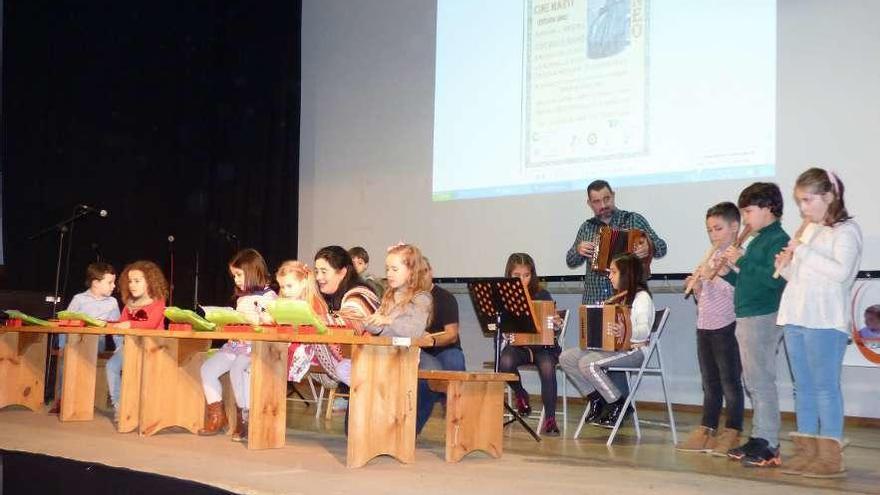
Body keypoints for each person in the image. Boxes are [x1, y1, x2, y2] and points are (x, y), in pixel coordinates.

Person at [775, 168, 862, 478]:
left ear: (828, 196)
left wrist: (804, 251)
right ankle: (807, 451)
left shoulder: (846, 231)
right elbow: (802, 277)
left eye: (807, 200)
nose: (803, 208)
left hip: (825, 319)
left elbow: (840, 274)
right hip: (797, 314)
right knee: (803, 387)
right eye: (800, 201)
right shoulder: (809, 230)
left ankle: (829, 456)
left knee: (825, 387)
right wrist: (784, 267)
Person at [719, 182, 790, 467]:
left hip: (763, 315)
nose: (745, 218)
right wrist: (728, 274)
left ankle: (769, 441)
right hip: (748, 313)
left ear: (768, 208)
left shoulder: (778, 239)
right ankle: (759, 435)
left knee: (761, 381)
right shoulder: (758, 239)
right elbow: (749, 281)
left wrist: (744, 260)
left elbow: (775, 280)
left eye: (748, 211)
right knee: (754, 381)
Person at [676, 203, 744, 455]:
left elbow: (740, 292)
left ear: (734, 227)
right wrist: (697, 286)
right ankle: (707, 427)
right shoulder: (712, 256)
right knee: (710, 382)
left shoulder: (739, 257)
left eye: (718, 229)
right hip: (705, 325)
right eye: (710, 230)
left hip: (727, 326)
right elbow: (707, 296)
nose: (714, 235)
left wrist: (720, 275)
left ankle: (733, 429)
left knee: (730, 382)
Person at [560, 254, 655, 430]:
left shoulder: (642, 298)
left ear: (626, 274)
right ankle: (596, 398)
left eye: (613, 272)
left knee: (588, 363)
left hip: (634, 351)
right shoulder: (618, 298)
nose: (609, 276)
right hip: (614, 350)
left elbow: (644, 330)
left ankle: (619, 404)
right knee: (567, 358)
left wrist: (627, 331)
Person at [198, 248, 277, 441]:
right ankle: (218, 416)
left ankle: (246, 417)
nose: (236, 280)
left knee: (238, 370)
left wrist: (255, 320)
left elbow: (271, 323)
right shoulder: (242, 297)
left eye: (239, 275)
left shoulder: (269, 296)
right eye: (234, 276)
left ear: (253, 271)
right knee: (207, 369)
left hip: (254, 348)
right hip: (235, 345)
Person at [362, 243, 436, 434]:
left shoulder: (421, 298)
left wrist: (386, 320)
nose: (389, 274)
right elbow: (376, 328)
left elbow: (414, 330)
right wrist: (369, 322)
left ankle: (406, 429)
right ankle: (374, 424)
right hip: (385, 353)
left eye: (395, 269)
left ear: (411, 271)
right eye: (387, 269)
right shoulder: (388, 296)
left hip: (407, 356)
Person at [566, 180, 667, 305]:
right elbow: (570, 261)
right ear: (589, 203)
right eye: (597, 201)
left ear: (613, 195)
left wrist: (649, 247)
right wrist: (578, 250)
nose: (603, 205)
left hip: (627, 300)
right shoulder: (587, 227)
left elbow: (662, 247)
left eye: (606, 199)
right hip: (594, 301)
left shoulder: (633, 220)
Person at [497, 253, 563, 436]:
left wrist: (555, 323)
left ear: (532, 275)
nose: (522, 280)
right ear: (509, 275)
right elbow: (500, 329)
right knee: (505, 362)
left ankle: (550, 419)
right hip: (519, 347)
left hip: (543, 348)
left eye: (526, 275)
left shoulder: (542, 294)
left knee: (548, 366)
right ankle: (521, 393)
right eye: (517, 276)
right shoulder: (504, 296)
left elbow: (552, 326)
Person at [51, 262, 120, 414]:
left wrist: (119, 347)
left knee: (88, 350)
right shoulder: (79, 299)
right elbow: (65, 324)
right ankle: (63, 398)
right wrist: (62, 345)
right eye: (110, 282)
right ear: (95, 283)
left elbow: (116, 328)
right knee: (66, 360)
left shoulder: (112, 302)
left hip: (97, 342)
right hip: (74, 341)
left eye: (113, 282)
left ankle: (85, 397)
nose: (113, 286)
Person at [106, 261, 168, 421]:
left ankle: (147, 409)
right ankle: (119, 405)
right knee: (111, 365)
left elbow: (151, 324)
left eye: (137, 281)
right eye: (130, 281)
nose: (132, 285)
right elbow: (121, 324)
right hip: (130, 347)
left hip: (153, 349)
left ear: (150, 282)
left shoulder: (158, 302)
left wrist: (129, 324)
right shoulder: (129, 304)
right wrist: (111, 325)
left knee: (141, 373)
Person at [313, 246, 380, 386]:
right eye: (316, 271)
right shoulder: (332, 296)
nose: (318, 277)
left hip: (375, 365)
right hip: (358, 364)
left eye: (324, 271)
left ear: (343, 272)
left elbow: (351, 322)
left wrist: (311, 319)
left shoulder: (360, 294)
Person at [275, 261, 330, 383]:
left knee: (285, 353)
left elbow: (322, 330)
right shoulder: (283, 303)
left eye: (289, 286)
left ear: (303, 283)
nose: (285, 291)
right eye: (282, 287)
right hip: (289, 343)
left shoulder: (315, 303)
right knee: (268, 351)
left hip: (312, 347)